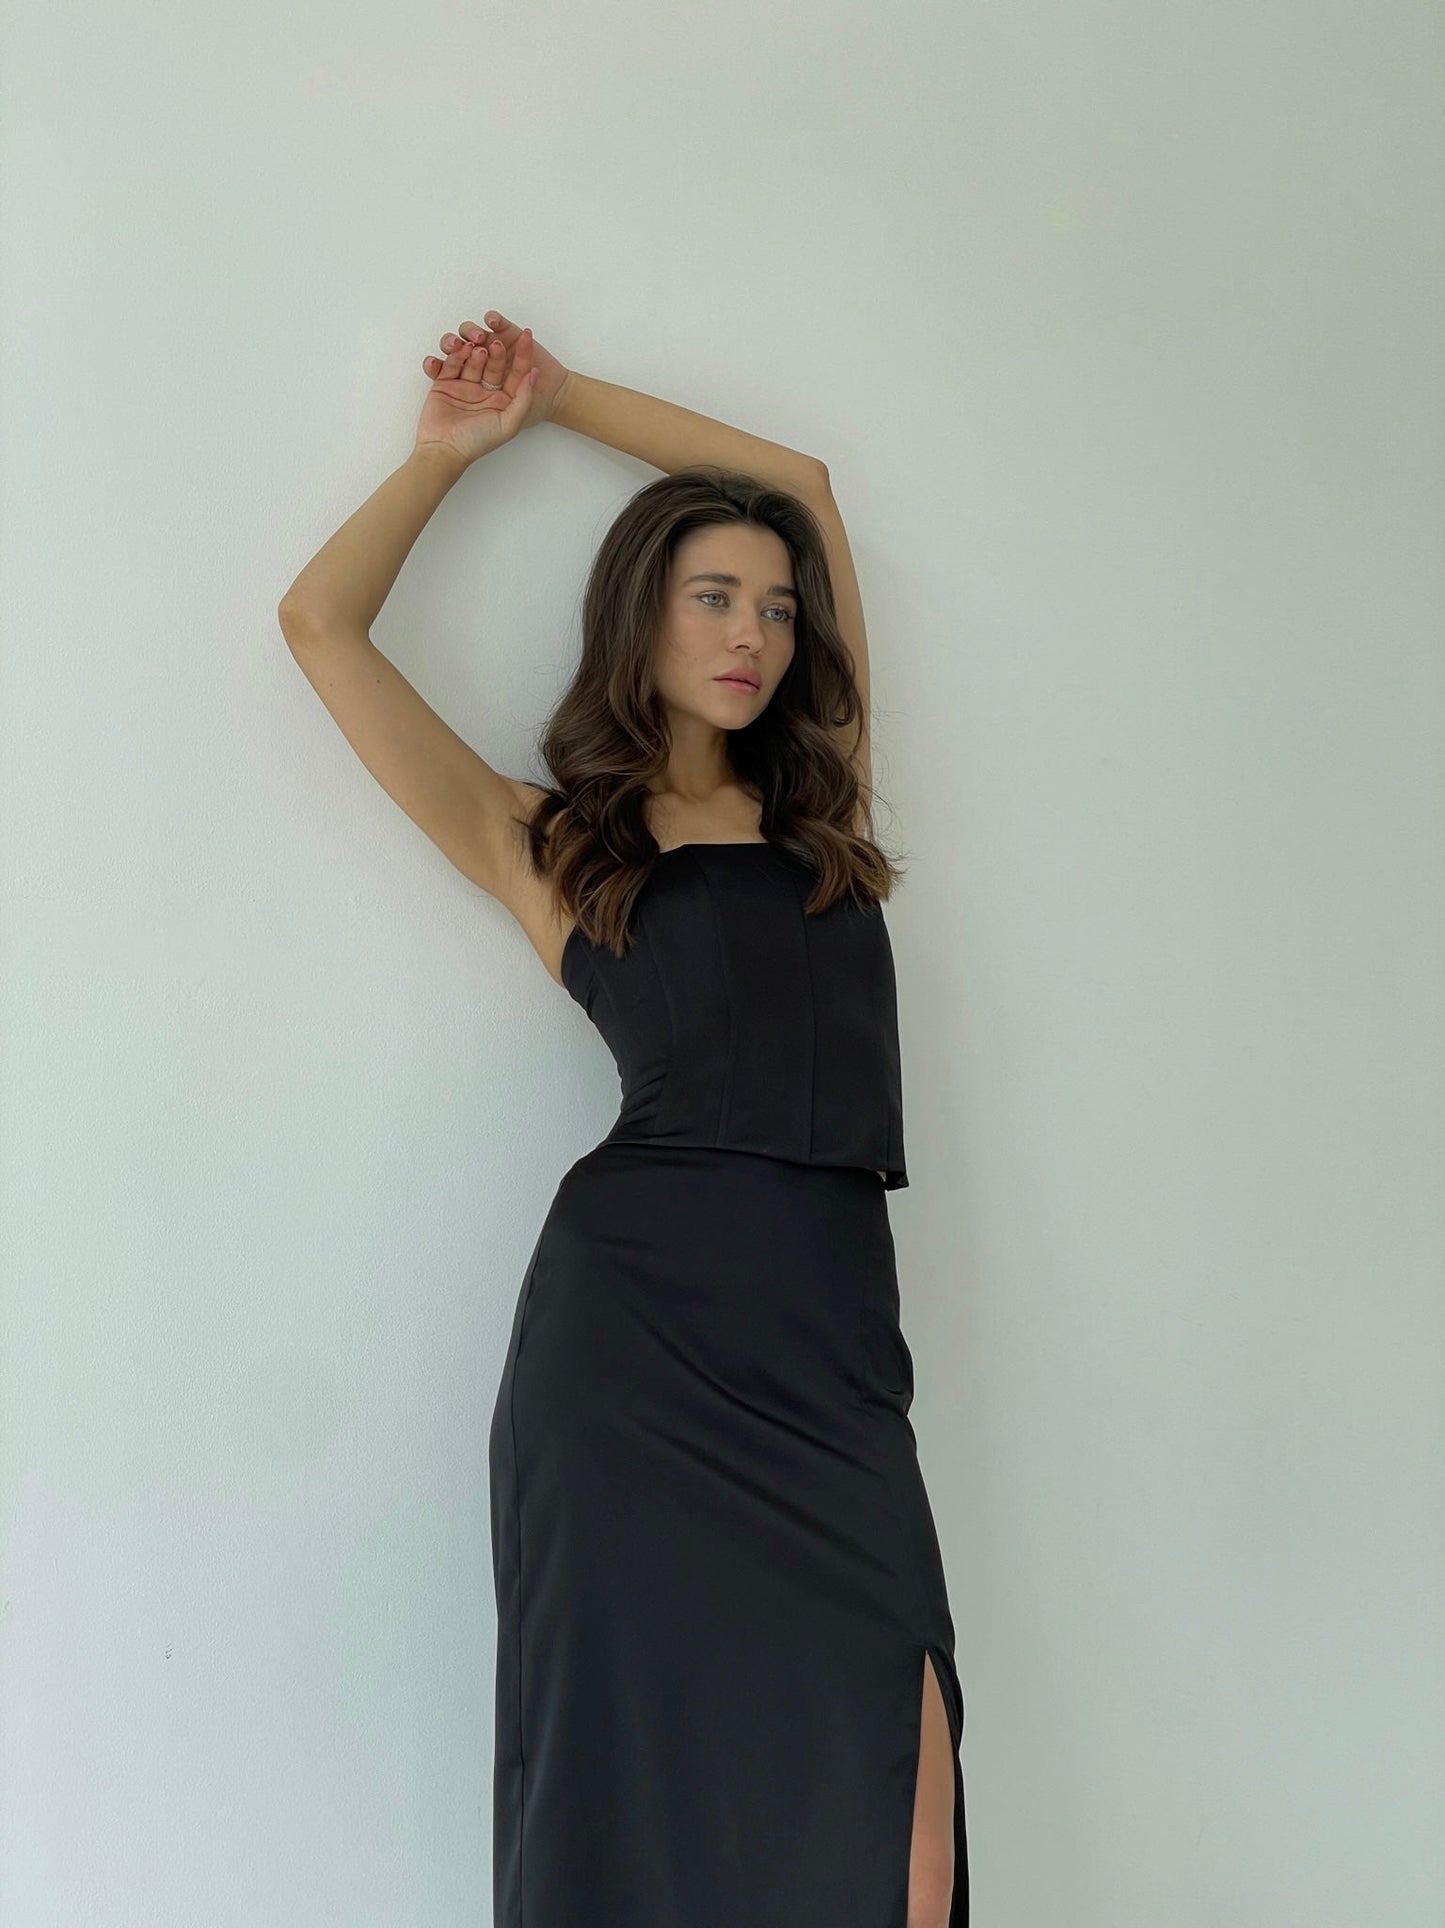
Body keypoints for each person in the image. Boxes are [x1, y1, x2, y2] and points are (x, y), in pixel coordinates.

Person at [277, 312, 968, 1927]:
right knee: (634, 1785)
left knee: (903, 1807)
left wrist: (564, 394)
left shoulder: (824, 808)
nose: (753, 632)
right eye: (711, 596)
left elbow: (794, 480)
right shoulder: (553, 844)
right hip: (632, 1350)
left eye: (776, 607)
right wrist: (459, 448)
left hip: (833, 1353)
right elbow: (319, 624)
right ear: (641, 618)